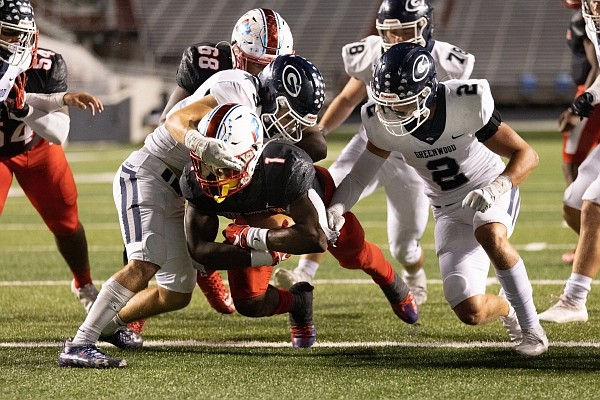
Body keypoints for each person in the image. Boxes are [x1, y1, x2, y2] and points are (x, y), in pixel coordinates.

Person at [58, 54, 326, 369]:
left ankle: (108, 325)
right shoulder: (237, 88)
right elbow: (175, 119)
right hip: (151, 174)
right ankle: (80, 343)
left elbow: (315, 145)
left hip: (187, 186)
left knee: (177, 292)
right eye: (288, 113)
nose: (290, 125)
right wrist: (199, 143)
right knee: (146, 261)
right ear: (272, 92)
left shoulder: (258, 108)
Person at [325, 42, 548, 356]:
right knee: (468, 308)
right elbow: (360, 175)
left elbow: (527, 154)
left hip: (490, 188)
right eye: (386, 103)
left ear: (427, 93)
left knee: (489, 230)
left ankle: (533, 330)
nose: (391, 112)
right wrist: (338, 206)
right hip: (447, 209)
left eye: (402, 103)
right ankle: (509, 309)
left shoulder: (464, 102)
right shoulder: (383, 121)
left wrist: (496, 188)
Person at [273, 0, 474, 307]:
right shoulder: (373, 54)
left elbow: (459, 111)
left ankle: (415, 276)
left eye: (405, 30)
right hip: (370, 142)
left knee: (405, 244)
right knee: (326, 201)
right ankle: (306, 271)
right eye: (390, 32)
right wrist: (322, 130)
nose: (397, 39)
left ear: (424, 26)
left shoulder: (444, 60)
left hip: (413, 156)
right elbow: (347, 98)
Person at [179, 103, 417, 350]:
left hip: (310, 211)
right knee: (249, 302)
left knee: (354, 252)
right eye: (205, 163)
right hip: (255, 221)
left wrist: (252, 237)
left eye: (224, 165)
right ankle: (299, 301)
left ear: (249, 155)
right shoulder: (195, 181)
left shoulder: (283, 167)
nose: (210, 175)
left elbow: (315, 239)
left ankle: (390, 280)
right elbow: (199, 250)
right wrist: (261, 251)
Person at [157, 8, 303, 316]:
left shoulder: (286, 84)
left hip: (249, 173)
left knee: (249, 293)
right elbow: (168, 118)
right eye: (253, 64)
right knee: (151, 232)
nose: (260, 74)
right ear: (236, 53)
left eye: (269, 67)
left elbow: (316, 143)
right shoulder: (209, 65)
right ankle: (199, 273)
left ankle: (250, 263)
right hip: (196, 162)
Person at [0, 0, 104, 314]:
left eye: (17, 34)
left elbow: (58, 132)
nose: (12, 43)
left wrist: (26, 108)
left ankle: (84, 285)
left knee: (67, 221)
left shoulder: (47, 64)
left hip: (37, 149)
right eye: (5, 33)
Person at [537, 0, 600, 323]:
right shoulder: (591, 21)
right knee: (573, 201)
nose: (595, 8)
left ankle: (574, 300)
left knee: (593, 202)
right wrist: (581, 106)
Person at [557, 9, 600, 264]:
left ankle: (586, 241)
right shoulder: (584, 16)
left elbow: (594, 65)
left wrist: (581, 104)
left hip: (590, 93)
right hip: (588, 92)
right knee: (578, 172)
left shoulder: (586, 20)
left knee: (572, 164)